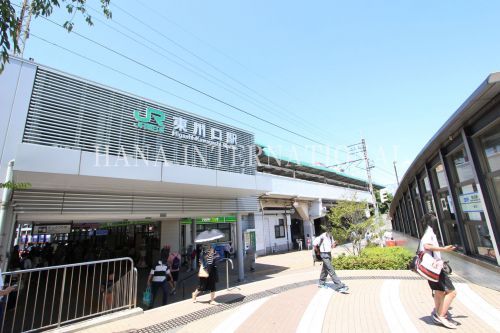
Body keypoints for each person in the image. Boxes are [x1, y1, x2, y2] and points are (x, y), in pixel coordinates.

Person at [419, 213, 458, 329]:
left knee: (439, 291)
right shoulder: (429, 233)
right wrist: (444, 249)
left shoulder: (427, 232)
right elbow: (427, 246)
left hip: (430, 269)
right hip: (434, 268)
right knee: (451, 292)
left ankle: (438, 314)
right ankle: (441, 316)